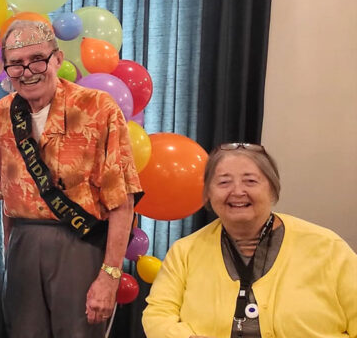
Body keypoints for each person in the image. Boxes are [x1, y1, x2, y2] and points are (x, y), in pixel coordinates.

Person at [0, 20, 142, 337]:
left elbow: (122, 200)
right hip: (24, 246)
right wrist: (10, 254)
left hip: (81, 245)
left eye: (37, 59)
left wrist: (110, 275)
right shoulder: (1, 113)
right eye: (16, 64)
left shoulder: (99, 108)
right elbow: (4, 197)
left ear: (57, 59)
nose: (27, 71)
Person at [142, 143, 357, 338]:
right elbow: (158, 314)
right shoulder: (184, 251)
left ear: (272, 189)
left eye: (250, 181)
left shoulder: (327, 247)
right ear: (208, 193)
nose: (237, 191)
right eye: (224, 182)